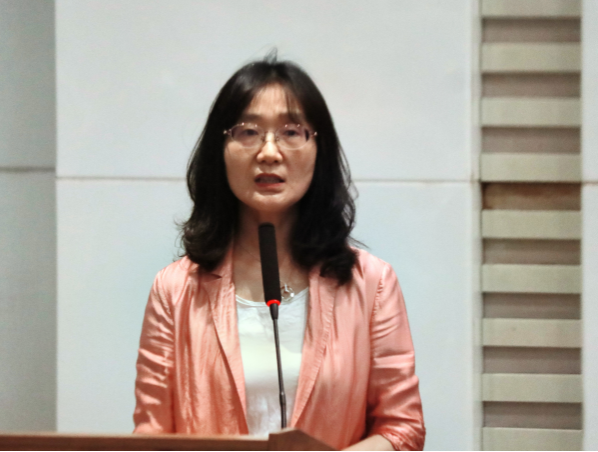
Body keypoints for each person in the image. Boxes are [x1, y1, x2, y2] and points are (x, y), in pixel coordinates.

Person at [133, 57, 425, 451]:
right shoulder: (175, 290)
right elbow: (151, 439)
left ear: (319, 148)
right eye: (248, 131)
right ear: (220, 150)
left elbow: (402, 430)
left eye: (291, 132)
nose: (269, 152)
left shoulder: (371, 284)